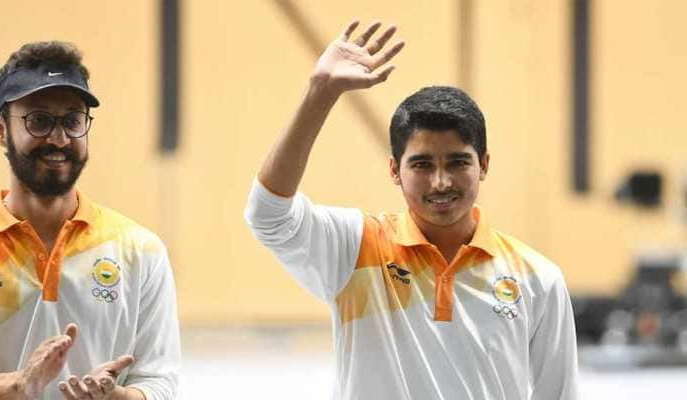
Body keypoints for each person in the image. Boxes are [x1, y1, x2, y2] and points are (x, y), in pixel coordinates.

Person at [245, 20, 579, 399]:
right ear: (394, 170)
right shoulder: (355, 249)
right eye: (422, 165)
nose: (440, 182)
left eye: (457, 162)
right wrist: (319, 93)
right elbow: (267, 215)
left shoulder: (538, 280)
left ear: (483, 165)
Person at [0, 42, 179, 399]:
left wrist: (115, 397)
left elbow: (159, 383)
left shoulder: (140, 250)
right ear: (0, 129)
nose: (59, 139)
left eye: (73, 121)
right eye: (39, 120)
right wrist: (16, 386)